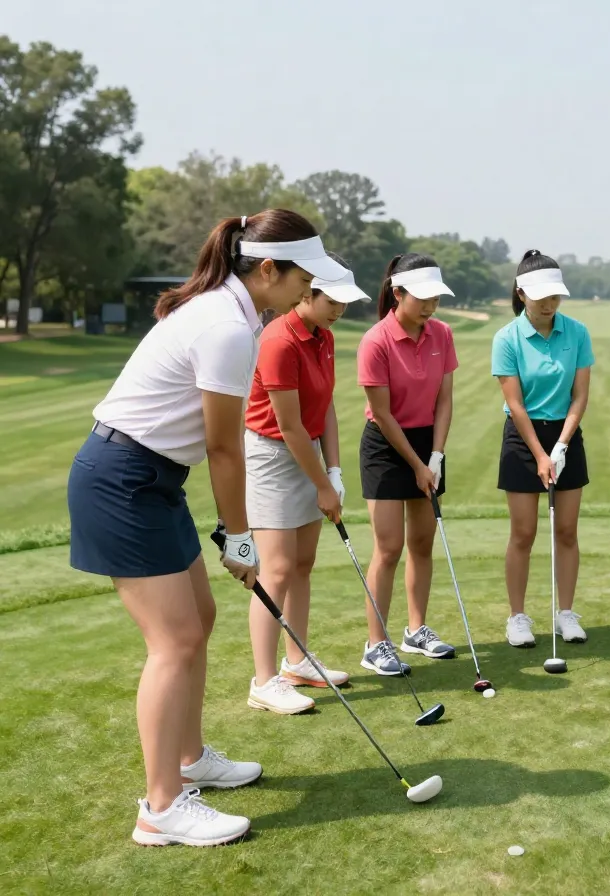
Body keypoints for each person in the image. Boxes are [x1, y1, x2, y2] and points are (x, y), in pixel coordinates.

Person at [66, 209, 346, 846]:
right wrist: (240, 539)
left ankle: (189, 759)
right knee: (176, 641)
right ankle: (161, 808)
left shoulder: (235, 312)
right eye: (304, 277)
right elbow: (226, 448)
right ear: (268, 269)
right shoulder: (225, 325)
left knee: (200, 621)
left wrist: (232, 534)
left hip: (153, 480)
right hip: (122, 480)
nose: (309, 291)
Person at [242, 255, 372, 715]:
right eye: (331, 299)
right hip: (273, 456)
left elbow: (327, 408)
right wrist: (323, 485)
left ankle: (297, 661)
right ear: (307, 292)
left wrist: (333, 471)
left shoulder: (325, 337)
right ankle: (264, 680)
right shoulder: (278, 340)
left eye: (345, 302)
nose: (339, 309)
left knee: (302, 563)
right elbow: (290, 425)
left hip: (309, 451)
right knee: (275, 570)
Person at [355, 253, 459, 674]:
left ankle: (416, 630)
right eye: (423, 297)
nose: (431, 305)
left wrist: (435, 456)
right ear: (397, 294)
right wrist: (417, 464)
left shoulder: (442, 334)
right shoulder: (375, 340)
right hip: (385, 445)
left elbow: (445, 399)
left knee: (421, 543)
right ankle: (375, 644)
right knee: (389, 548)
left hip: (427, 441)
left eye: (436, 297)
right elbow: (381, 413)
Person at [492, 250, 594, 648]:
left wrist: (563, 445)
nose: (550, 304)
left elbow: (580, 396)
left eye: (556, 296)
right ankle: (517, 618)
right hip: (523, 438)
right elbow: (515, 405)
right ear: (521, 292)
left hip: (566, 433)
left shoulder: (578, 332)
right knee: (524, 532)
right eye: (541, 297)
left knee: (567, 531)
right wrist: (540, 454)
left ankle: (565, 613)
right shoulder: (507, 338)